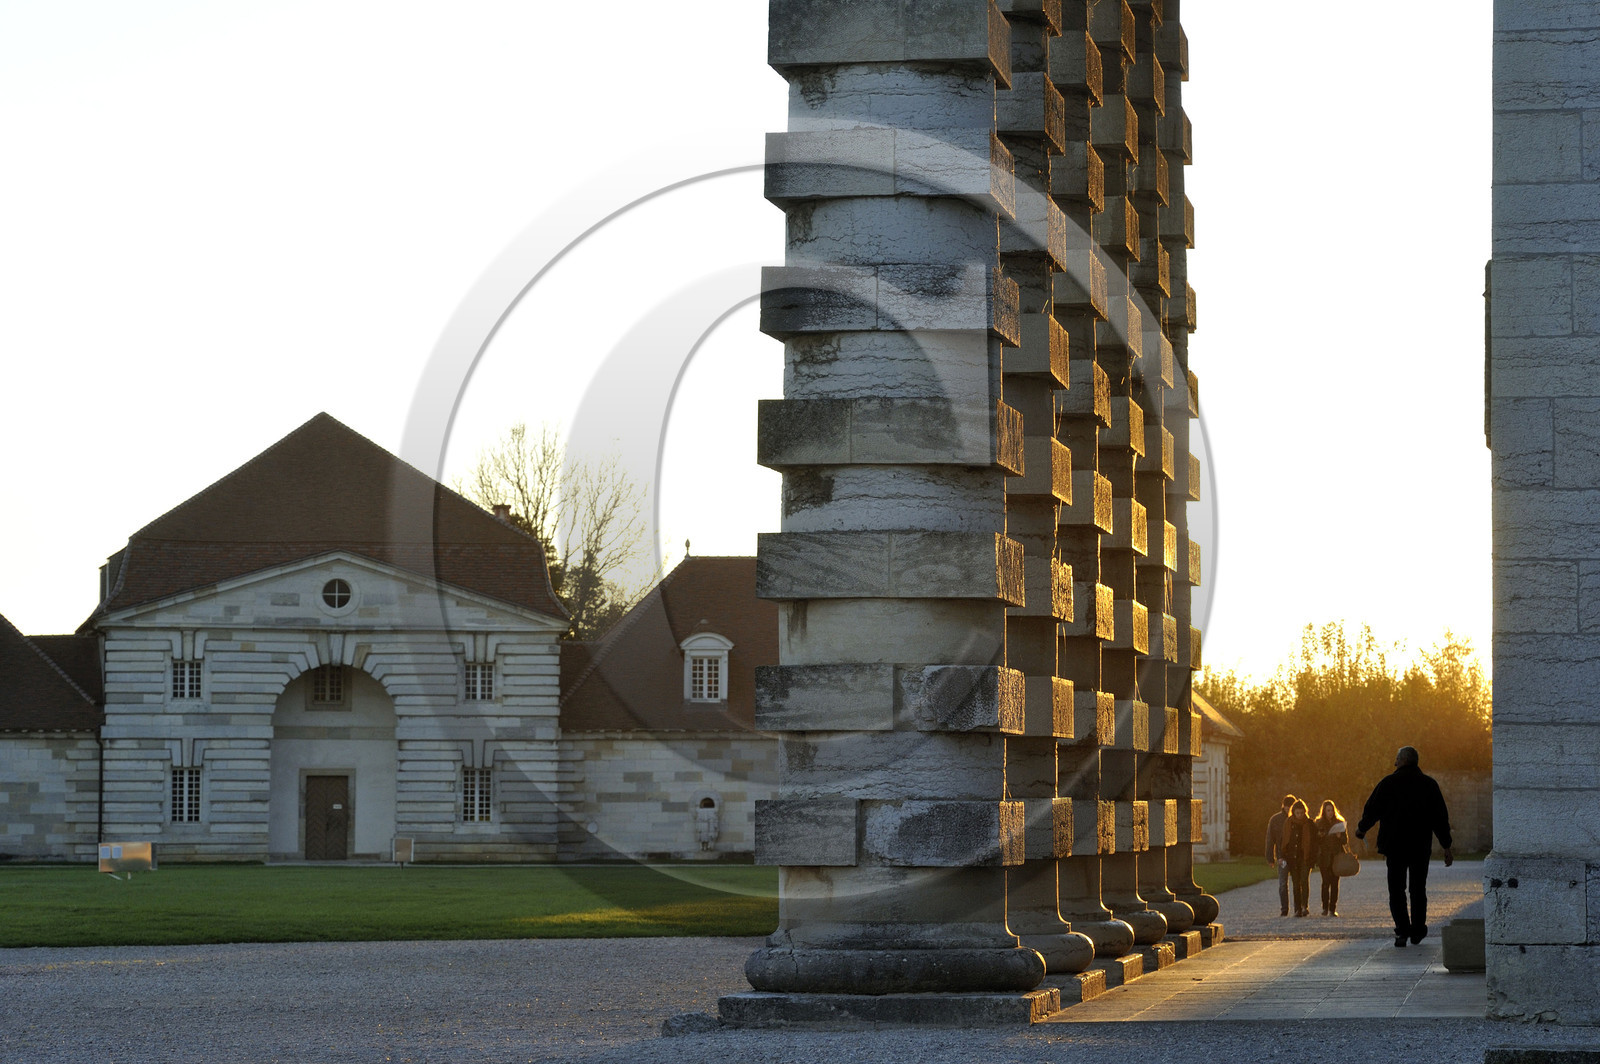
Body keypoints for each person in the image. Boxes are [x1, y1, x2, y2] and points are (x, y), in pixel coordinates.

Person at [1355, 746, 1454, 947]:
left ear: (1401, 761)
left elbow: (1372, 809)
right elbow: (1440, 818)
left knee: (1396, 889)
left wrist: (1361, 829)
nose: (1394, 763)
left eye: (1396, 759)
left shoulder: (1388, 783)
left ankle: (1402, 930)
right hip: (1420, 846)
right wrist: (1446, 846)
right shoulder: (1429, 785)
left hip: (1395, 847)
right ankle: (1417, 930)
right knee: (1418, 889)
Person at [1314, 799, 1350, 917]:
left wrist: (1340, 836)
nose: (1330, 812)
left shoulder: (1339, 823)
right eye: (1328, 810)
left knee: (1335, 883)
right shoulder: (1319, 823)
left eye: (1332, 810)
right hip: (1324, 857)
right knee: (1325, 882)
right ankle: (1325, 907)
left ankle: (1332, 908)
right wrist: (1320, 836)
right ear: (1324, 811)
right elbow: (1315, 841)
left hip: (1336, 857)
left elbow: (1345, 841)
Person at [1282, 798, 1316, 917]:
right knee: (1296, 883)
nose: (1300, 815)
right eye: (1297, 813)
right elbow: (1285, 840)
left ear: (1304, 812)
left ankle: (1304, 906)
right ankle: (1297, 908)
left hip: (1305, 857)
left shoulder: (1310, 824)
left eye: (1302, 813)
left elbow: (1314, 843)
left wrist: (1312, 858)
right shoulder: (1289, 823)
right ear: (1294, 812)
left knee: (1304, 881)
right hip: (1293, 857)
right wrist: (1283, 855)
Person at [1264, 794, 1296, 917]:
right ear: (1284, 806)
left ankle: (1299, 907)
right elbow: (1270, 839)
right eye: (1287, 807)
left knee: (1297, 883)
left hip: (1295, 856)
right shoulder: (1275, 820)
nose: (1289, 809)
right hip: (1282, 856)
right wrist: (1270, 857)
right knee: (1283, 883)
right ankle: (1284, 909)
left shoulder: (1298, 818)